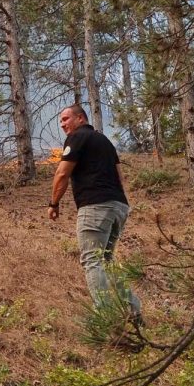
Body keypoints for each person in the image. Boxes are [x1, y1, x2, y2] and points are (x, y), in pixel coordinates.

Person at [47, 105, 141, 320]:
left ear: (80, 118)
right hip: (118, 206)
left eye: (66, 119)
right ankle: (133, 309)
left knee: (92, 260)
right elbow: (119, 176)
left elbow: (62, 174)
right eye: (60, 121)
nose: (63, 125)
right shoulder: (105, 141)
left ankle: (105, 316)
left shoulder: (77, 137)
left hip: (95, 206)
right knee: (106, 260)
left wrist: (53, 203)